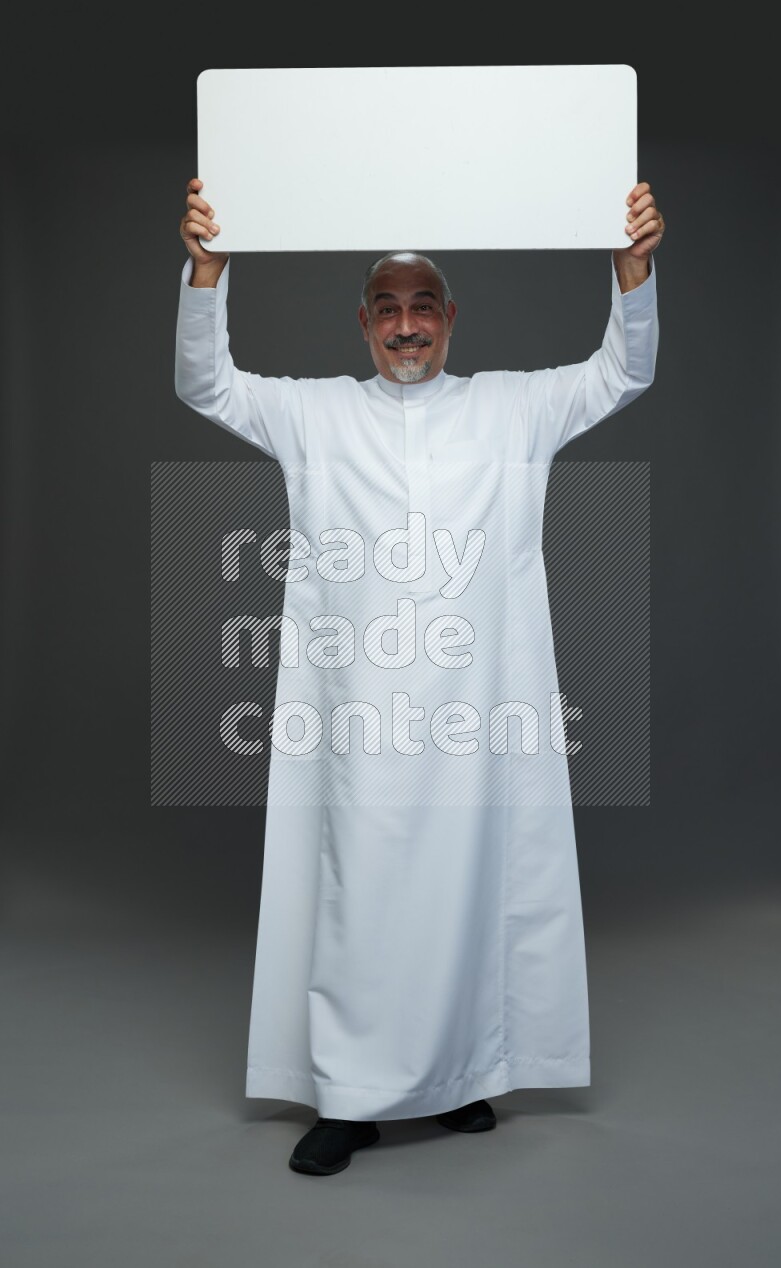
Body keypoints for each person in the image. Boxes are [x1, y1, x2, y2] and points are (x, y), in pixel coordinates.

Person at [175, 175, 663, 1176]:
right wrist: (206, 272)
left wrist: (630, 273)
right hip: (355, 713)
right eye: (388, 307)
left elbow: (621, 373)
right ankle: (349, 1098)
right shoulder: (312, 415)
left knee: (474, 885)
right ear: (362, 323)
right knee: (360, 893)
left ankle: (460, 1074)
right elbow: (206, 385)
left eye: (423, 305)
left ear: (450, 319)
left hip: (480, 709)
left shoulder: (513, 406)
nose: (406, 324)